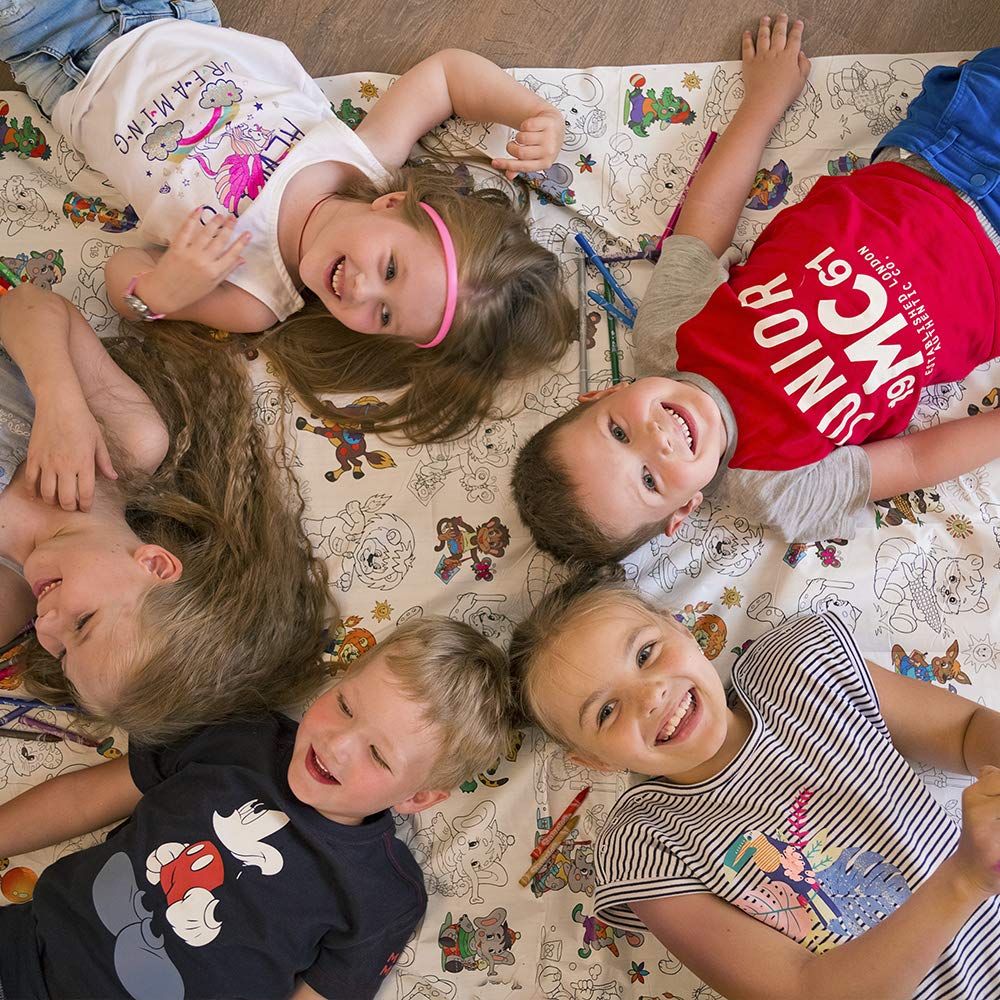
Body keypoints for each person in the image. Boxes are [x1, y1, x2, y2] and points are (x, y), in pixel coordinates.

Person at [511, 19, 1000, 563]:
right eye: (649, 480)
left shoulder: (669, 337)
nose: (659, 439)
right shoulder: (780, 491)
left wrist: (764, 100)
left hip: (943, 157)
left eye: (619, 432)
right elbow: (911, 461)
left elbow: (708, 218)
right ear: (683, 511)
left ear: (599, 395)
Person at [0, 1, 576, 444]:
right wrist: (532, 111)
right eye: (392, 268)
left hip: (62, 60)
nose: (362, 290)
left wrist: (162, 290)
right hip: (169, 14)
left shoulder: (257, 297)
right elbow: (449, 77)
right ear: (390, 206)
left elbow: (122, 275)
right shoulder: (365, 158)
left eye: (382, 315)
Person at [508, 569, 1000, 999]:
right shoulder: (641, 846)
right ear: (593, 761)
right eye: (606, 711)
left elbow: (964, 732)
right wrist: (966, 879)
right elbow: (803, 990)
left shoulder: (800, 664)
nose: (652, 696)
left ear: (679, 625)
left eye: (645, 653)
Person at [0, 616, 512, 1000]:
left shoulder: (382, 894)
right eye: (345, 705)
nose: (337, 744)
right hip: (31, 949)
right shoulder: (237, 738)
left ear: (418, 798)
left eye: (377, 755)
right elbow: (85, 798)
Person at [0, 283, 329, 744]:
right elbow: (27, 305)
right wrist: (61, 403)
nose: (48, 625)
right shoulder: (127, 446)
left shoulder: (9, 595)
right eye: (82, 623)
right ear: (155, 564)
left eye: (61, 655)